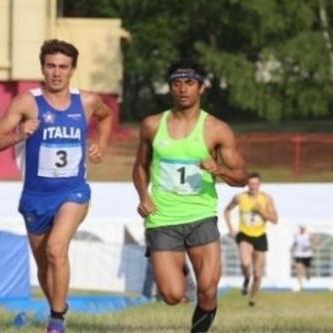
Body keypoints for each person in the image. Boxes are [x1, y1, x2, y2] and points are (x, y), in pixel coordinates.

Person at [0, 39, 113, 333]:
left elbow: (106, 117)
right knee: (44, 266)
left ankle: (56, 321)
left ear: (72, 70)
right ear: (42, 68)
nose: (56, 73)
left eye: (63, 67)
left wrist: (101, 146)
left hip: (73, 191)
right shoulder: (27, 103)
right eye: (51, 66)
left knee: (57, 250)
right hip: (35, 196)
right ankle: (58, 304)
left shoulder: (87, 101)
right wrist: (19, 133)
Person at [132, 59, 248, 333]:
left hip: (201, 216)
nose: (183, 89)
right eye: (177, 83)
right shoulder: (151, 125)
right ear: (170, 87)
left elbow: (241, 176)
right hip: (163, 217)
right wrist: (142, 195)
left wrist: (219, 169)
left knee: (208, 290)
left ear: (201, 88)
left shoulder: (216, 129)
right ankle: (179, 267)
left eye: (190, 83)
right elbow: (140, 167)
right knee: (173, 296)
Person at [223, 172, 278, 307]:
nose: (253, 187)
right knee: (246, 263)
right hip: (245, 235)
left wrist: (262, 212)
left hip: (260, 236)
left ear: (260, 185)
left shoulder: (266, 199)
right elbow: (227, 210)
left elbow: (275, 220)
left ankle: (252, 298)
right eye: (251, 184)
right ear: (247, 185)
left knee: (258, 274)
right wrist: (230, 228)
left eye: (255, 184)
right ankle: (246, 278)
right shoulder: (240, 198)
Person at [291, 225, 317, 291]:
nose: (301, 229)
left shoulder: (308, 235)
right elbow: (295, 243)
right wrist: (292, 248)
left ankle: (308, 274)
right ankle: (300, 286)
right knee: (299, 269)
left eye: (303, 228)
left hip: (307, 255)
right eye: (300, 228)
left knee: (307, 269)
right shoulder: (296, 235)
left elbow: (314, 242)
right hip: (299, 255)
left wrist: (312, 246)